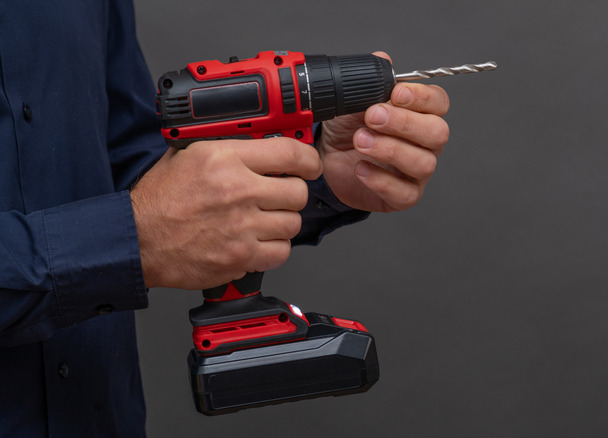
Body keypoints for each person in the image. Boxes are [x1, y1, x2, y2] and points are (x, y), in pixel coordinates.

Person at [0, 0, 449, 436]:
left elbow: (127, 155)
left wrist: (315, 169)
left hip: (99, 414)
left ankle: (234, 320)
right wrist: (131, 238)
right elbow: (141, 215)